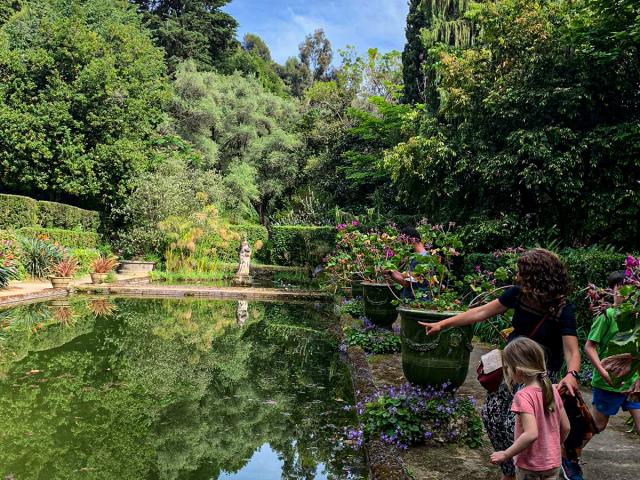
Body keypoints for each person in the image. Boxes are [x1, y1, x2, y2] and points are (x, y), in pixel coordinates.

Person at [420, 248, 581, 480]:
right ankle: (510, 471)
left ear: (536, 274)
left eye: (521, 271)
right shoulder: (518, 294)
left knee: (517, 424)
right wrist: (443, 324)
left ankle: (540, 464)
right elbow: (481, 312)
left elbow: (571, 350)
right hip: (512, 369)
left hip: (538, 375)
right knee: (491, 414)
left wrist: (572, 374)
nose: (517, 275)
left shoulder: (563, 308)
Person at [490, 337, 571, 480]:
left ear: (519, 371)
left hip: (530, 466)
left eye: (508, 367)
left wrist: (506, 454)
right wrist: (552, 447)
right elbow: (566, 427)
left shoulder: (523, 396)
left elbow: (531, 433)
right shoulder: (553, 390)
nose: (507, 371)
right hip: (552, 463)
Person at [584, 270, 640, 435]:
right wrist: (603, 372)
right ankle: (569, 456)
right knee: (597, 426)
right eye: (620, 288)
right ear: (612, 291)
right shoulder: (606, 316)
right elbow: (589, 346)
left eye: (630, 288)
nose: (625, 293)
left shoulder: (637, 318)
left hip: (633, 384)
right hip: (607, 383)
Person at [386, 226, 429, 299]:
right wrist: (390, 270)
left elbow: (407, 284)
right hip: (419, 300)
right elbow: (407, 277)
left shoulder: (419, 259)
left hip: (417, 301)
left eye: (404, 242)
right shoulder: (425, 255)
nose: (404, 246)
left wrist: (390, 273)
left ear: (411, 240)